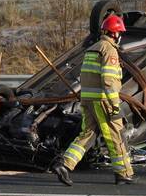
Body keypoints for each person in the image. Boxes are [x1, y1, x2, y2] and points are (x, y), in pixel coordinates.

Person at [52, 14, 135, 186]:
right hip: (104, 101)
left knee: (87, 134)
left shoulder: (93, 48)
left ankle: (64, 164)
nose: (120, 36)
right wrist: (114, 105)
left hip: (87, 100)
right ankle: (124, 173)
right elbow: (109, 80)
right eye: (119, 33)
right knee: (116, 136)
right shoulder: (109, 50)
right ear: (114, 33)